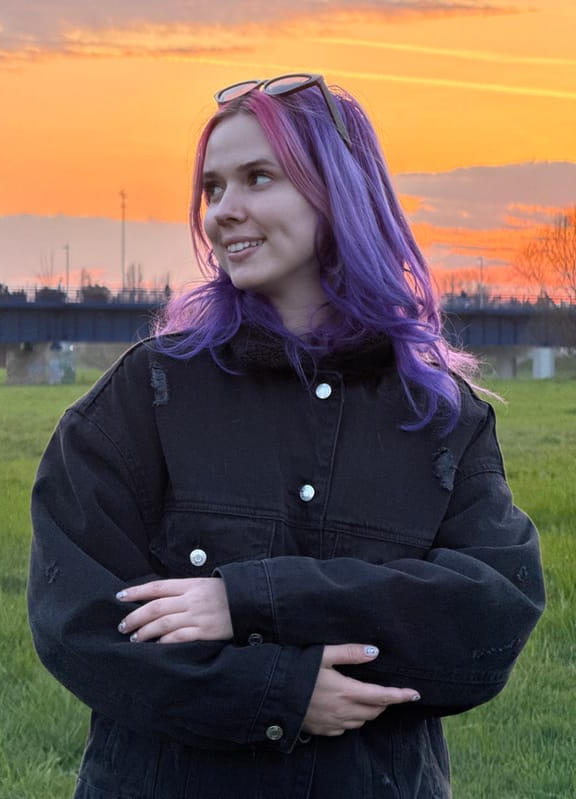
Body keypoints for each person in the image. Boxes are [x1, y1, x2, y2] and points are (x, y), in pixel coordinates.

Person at [28, 74, 545, 798]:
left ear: (338, 192)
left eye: (257, 178)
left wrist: (248, 600)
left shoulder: (441, 414)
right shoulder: (149, 392)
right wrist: (276, 693)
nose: (222, 213)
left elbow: (490, 613)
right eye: (212, 188)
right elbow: (76, 618)